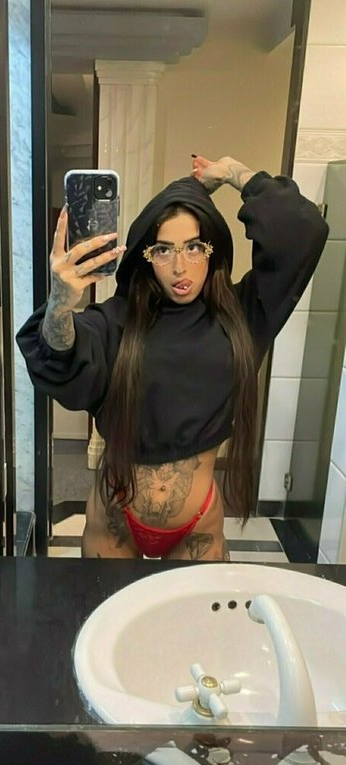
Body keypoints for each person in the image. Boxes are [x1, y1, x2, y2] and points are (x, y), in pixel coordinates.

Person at [17, 155, 328, 561]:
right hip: (114, 522)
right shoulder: (117, 321)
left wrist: (233, 172)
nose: (180, 267)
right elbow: (59, 357)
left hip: (196, 528)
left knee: (193, 607)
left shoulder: (241, 318)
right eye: (163, 250)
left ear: (212, 249)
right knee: (108, 606)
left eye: (195, 247)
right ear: (146, 257)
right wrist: (60, 304)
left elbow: (302, 229)